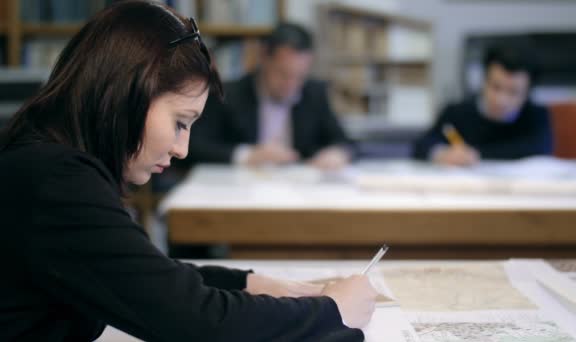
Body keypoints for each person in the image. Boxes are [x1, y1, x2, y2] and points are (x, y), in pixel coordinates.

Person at [0, 1, 377, 341]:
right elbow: (194, 320)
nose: (182, 149)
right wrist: (334, 311)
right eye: (181, 122)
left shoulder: (45, 164)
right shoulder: (57, 182)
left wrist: (249, 283)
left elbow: (144, 276)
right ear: (128, 93)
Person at [184, 22, 351, 170]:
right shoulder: (226, 94)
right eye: (283, 74)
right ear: (263, 57)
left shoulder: (315, 93)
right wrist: (247, 155)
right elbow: (194, 146)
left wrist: (337, 153)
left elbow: (343, 141)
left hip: (299, 192)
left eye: (300, 76)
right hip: (241, 191)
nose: (291, 84)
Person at [412, 45, 553, 166]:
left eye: (513, 92)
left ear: (527, 92)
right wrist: (441, 153)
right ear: (484, 81)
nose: (501, 100)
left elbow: (539, 149)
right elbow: (422, 145)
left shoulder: (537, 115)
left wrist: (476, 153)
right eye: (495, 87)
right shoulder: (456, 112)